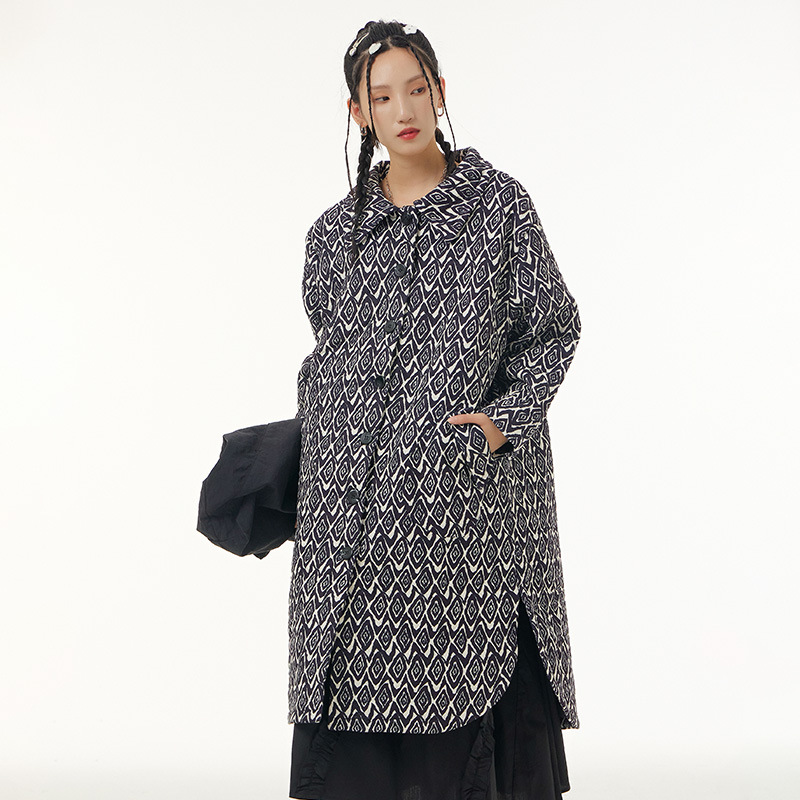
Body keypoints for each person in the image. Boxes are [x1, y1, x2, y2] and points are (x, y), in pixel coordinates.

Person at [288, 18, 582, 800]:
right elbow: (326, 358)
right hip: (351, 529)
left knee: (465, 714)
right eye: (382, 97)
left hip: (464, 518)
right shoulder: (333, 236)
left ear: (440, 92)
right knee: (351, 718)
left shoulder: (498, 208)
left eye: (416, 89)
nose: (404, 109)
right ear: (359, 114)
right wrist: (318, 450)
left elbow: (554, 329)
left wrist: (501, 425)